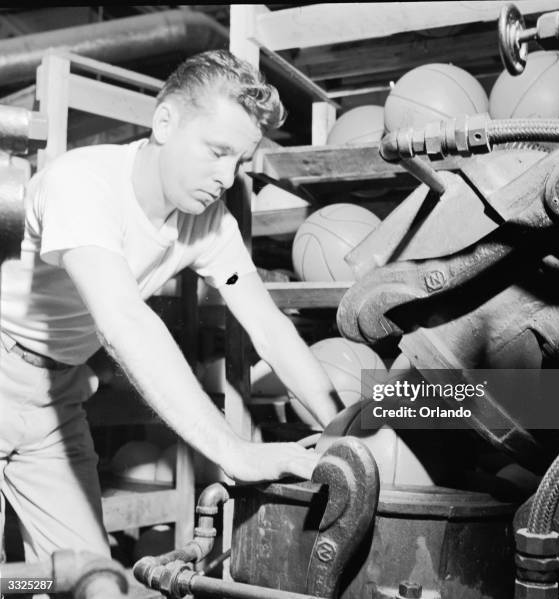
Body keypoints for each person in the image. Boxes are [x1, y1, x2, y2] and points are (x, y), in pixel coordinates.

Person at [0, 49, 341, 562]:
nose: (227, 177)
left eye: (239, 161)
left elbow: (267, 326)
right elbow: (123, 321)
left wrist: (340, 431)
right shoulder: (84, 182)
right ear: (164, 122)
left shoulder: (210, 223)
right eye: (216, 151)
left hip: (55, 400)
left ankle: (24, 587)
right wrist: (235, 451)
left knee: (89, 583)